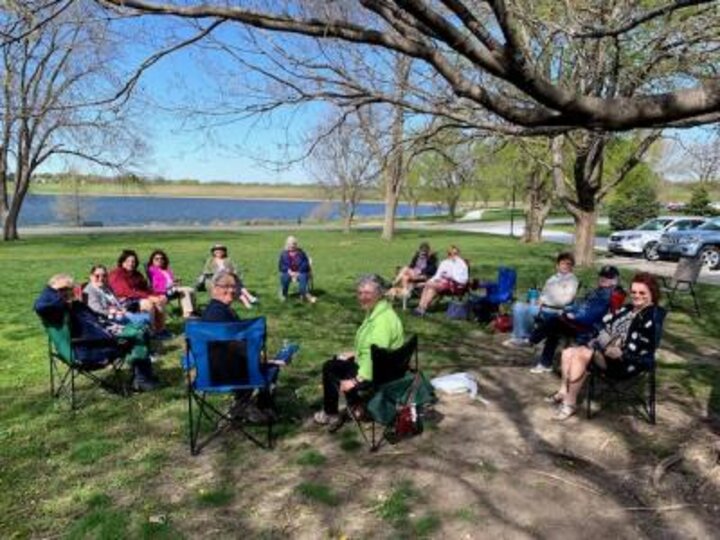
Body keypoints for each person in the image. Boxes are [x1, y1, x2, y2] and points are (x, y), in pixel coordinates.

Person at [547, 272, 661, 421]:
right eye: (633, 292)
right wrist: (595, 338)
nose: (636, 296)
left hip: (626, 361)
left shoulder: (652, 317)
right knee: (568, 352)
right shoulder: (628, 309)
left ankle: (570, 403)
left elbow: (647, 348)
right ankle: (563, 392)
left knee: (582, 354)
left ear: (652, 293)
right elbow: (606, 325)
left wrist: (622, 352)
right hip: (605, 350)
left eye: (642, 293)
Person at [34, 274, 159, 391]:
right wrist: (55, 291)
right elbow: (40, 306)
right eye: (63, 289)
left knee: (139, 328)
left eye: (70, 288)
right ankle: (142, 380)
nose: (68, 291)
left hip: (101, 334)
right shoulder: (55, 309)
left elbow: (96, 318)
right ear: (54, 292)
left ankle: (141, 376)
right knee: (139, 334)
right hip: (92, 347)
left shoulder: (74, 306)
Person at [314, 275, 405, 425]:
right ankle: (357, 405)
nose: (362, 297)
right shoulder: (379, 311)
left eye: (368, 293)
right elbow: (374, 347)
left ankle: (332, 413)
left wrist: (356, 381)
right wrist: (355, 353)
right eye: (360, 293)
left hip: (378, 374)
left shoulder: (382, 321)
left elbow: (375, 355)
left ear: (379, 293)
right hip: (385, 368)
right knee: (337, 360)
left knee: (330, 367)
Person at [201, 270, 274, 421]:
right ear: (214, 288)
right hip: (223, 374)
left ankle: (242, 405)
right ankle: (256, 408)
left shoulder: (217, 309)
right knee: (270, 369)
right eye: (225, 286)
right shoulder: (217, 314)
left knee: (263, 364)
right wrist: (259, 357)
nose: (231, 290)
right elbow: (232, 345)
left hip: (211, 372)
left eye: (234, 286)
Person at [527, 265, 620, 374]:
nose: (603, 278)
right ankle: (543, 360)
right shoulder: (599, 291)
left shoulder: (605, 295)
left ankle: (533, 343)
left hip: (588, 329)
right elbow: (581, 306)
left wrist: (573, 316)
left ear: (614, 281)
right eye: (602, 275)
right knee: (555, 324)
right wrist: (567, 310)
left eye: (608, 277)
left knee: (554, 322)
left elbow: (589, 317)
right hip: (581, 324)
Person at [503, 252, 579, 347]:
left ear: (572, 267)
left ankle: (524, 339)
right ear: (557, 265)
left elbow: (566, 300)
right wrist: (540, 299)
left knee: (526, 309)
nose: (566, 266)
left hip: (555, 311)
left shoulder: (572, 280)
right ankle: (521, 337)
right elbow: (544, 293)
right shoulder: (552, 278)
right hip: (543, 307)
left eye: (569, 264)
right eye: (563, 263)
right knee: (518, 306)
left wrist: (545, 301)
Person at [109, 249, 169, 336]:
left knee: (160, 301)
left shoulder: (137, 274)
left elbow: (146, 288)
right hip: (123, 300)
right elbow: (126, 291)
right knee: (148, 303)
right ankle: (150, 332)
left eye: (133, 261)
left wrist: (157, 295)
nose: (131, 263)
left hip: (137, 298)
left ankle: (160, 330)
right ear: (122, 262)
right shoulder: (117, 273)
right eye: (128, 261)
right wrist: (148, 297)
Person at [83, 264, 151, 327]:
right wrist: (113, 311)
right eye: (97, 276)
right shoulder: (90, 290)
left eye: (104, 276)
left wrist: (121, 306)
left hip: (122, 313)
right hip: (109, 319)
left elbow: (115, 301)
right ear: (91, 276)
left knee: (147, 314)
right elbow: (96, 310)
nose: (101, 278)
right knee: (147, 318)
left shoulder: (106, 287)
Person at [413, 245, 468, 316]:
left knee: (428, 285)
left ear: (458, 254)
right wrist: (430, 281)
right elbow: (437, 275)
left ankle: (421, 308)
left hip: (454, 285)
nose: (453, 256)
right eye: (450, 253)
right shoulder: (444, 263)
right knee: (430, 288)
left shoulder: (461, 264)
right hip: (442, 283)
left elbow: (463, 279)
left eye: (455, 254)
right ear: (448, 254)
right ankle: (421, 308)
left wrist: (449, 276)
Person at [201, 244, 257, 309]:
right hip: (216, 279)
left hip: (229, 278)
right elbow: (205, 271)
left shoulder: (228, 260)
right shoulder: (210, 260)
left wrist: (230, 271)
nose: (218, 252)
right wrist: (216, 272)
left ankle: (248, 301)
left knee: (235, 283)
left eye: (220, 250)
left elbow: (235, 270)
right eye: (216, 251)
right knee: (236, 286)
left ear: (224, 252)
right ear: (213, 252)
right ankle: (249, 298)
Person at [146, 249, 197, 318]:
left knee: (190, 290)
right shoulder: (152, 270)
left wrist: (175, 281)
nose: (159, 260)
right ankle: (188, 313)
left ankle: (190, 311)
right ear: (152, 260)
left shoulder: (166, 269)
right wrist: (169, 285)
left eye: (161, 258)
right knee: (185, 290)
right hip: (163, 291)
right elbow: (155, 286)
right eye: (156, 259)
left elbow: (170, 280)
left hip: (173, 289)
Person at [278, 235, 316, 303]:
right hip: (288, 272)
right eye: (289, 244)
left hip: (300, 272)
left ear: (296, 244)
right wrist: (288, 271)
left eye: (293, 244)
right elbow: (281, 266)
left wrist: (298, 272)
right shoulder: (283, 254)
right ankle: (284, 294)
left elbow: (305, 263)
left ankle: (303, 294)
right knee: (284, 277)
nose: (292, 246)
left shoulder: (301, 253)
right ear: (287, 244)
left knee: (303, 277)